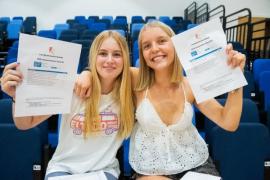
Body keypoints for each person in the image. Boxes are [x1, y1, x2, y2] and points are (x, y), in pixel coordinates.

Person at [75, 21, 246, 180]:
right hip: (150, 169)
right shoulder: (135, 79)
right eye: (147, 46)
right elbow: (108, 66)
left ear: (175, 44)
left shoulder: (191, 85)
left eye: (162, 41)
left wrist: (235, 77)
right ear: (142, 54)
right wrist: (87, 73)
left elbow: (228, 122)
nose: (154, 49)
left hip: (196, 165)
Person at [0, 30, 134, 180]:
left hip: (103, 171)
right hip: (63, 169)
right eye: (103, 53)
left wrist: (87, 72)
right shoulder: (72, 86)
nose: (109, 60)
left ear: (125, 60)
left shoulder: (129, 93)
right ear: (93, 57)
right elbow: (25, 124)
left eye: (117, 54)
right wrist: (17, 97)